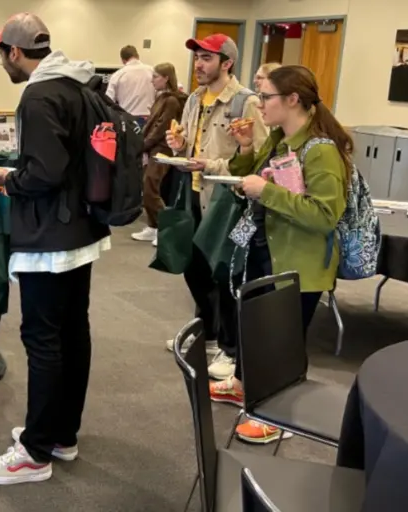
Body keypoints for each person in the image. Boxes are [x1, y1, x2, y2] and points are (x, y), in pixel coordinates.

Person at [0, 12, 110, 486]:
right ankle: (59, 434)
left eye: (1, 54)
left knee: (44, 339)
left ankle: (34, 453)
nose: (1, 62)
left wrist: (5, 178)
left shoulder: (38, 95)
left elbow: (45, 172)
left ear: (15, 52)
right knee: (74, 333)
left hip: (48, 238)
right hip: (82, 232)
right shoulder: (78, 85)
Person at [210, 65, 350, 444]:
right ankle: (243, 383)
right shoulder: (279, 139)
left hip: (297, 262)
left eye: (267, 96)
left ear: (292, 100)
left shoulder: (320, 151)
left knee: (284, 341)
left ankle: (282, 416)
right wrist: (245, 147)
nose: (260, 103)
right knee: (258, 327)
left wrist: (266, 192)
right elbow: (248, 178)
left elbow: (325, 215)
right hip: (267, 248)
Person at [163, 34, 268, 370]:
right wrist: (178, 146)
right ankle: (207, 333)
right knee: (193, 266)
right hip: (192, 191)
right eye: (197, 58)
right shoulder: (193, 98)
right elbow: (191, 145)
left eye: (207, 58)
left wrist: (210, 165)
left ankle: (230, 347)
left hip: (225, 198)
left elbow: (257, 158)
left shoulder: (245, 102)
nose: (199, 65)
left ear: (227, 63)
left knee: (224, 272)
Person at [131, 62, 188, 245]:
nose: (152, 80)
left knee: (151, 187)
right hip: (153, 147)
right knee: (147, 186)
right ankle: (153, 226)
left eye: (156, 76)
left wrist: (143, 145)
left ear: (166, 78)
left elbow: (161, 127)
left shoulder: (171, 101)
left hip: (162, 148)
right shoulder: (161, 98)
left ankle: (165, 229)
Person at [106, 45, 156, 124]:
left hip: (128, 120)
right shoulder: (153, 71)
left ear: (123, 60)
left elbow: (108, 100)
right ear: (138, 56)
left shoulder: (117, 75)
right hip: (150, 119)